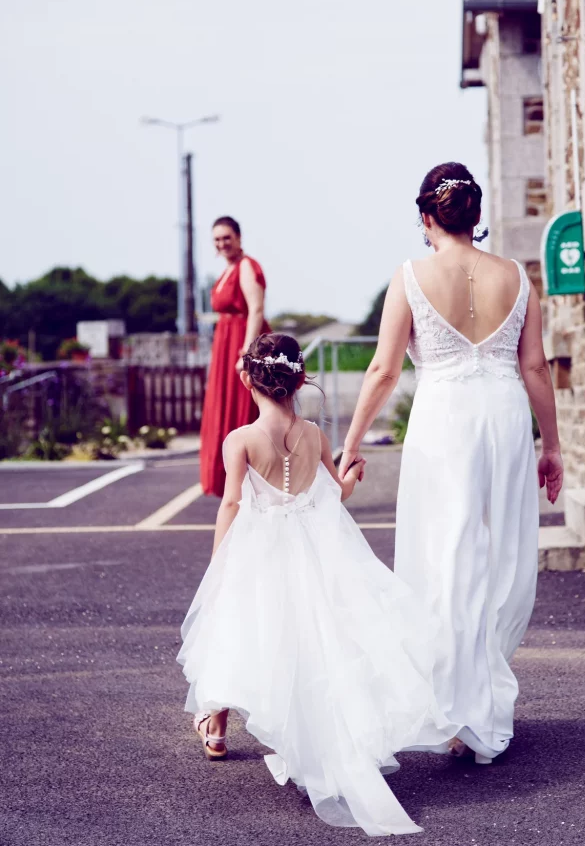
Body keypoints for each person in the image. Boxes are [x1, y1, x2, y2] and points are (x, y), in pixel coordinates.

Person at [178, 333, 455, 836]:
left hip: (260, 550)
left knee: (238, 628)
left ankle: (216, 725)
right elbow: (333, 496)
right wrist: (349, 480)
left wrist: (220, 560)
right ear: (297, 379)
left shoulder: (239, 440)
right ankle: (314, 725)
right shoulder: (314, 436)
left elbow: (233, 504)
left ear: (248, 380)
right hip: (315, 550)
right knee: (317, 639)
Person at [340, 162, 563, 763]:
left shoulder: (410, 276)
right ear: (475, 214)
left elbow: (385, 370)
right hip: (507, 419)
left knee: (443, 555)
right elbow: (536, 368)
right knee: (499, 557)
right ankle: (478, 700)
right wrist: (553, 446)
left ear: (425, 217)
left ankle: (449, 703)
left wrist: (353, 443)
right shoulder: (517, 277)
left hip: (444, 423)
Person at [200, 216, 270, 497]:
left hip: (240, 342)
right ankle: (228, 483)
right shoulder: (228, 270)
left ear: (239, 237)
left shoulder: (246, 267)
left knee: (242, 409)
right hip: (224, 342)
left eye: (227, 237)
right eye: (217, 239)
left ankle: (249, 484)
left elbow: (255, 309)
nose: (222, 243)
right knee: (223, 408)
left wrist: (246, 352)